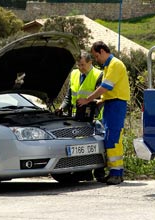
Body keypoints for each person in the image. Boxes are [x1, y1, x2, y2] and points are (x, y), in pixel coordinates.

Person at [77, 41, 130, 185]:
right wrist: (102, 101)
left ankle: (117, 173)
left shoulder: (115, 64)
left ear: (102, 51)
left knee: (113, 138)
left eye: (96, 56)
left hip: (116, 105)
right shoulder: (108, 66)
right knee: (109, 138)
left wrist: (88, 99)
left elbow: (106, 86)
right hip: (110, 104)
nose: (96, 60)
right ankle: (113, 172)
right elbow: (109, 89)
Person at [56, 51, 106, 182]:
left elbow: (101, 97)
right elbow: (69, 96)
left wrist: (89, 104)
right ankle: (84, 172)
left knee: (97, 144)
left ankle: (99, 172)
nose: (80, 67)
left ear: (90, 62)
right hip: (77, 118)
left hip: (95, 117)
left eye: (83, 65)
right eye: (78, 65)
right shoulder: (74, 74)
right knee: (80, 147)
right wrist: (62, 107)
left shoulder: (99, 74)